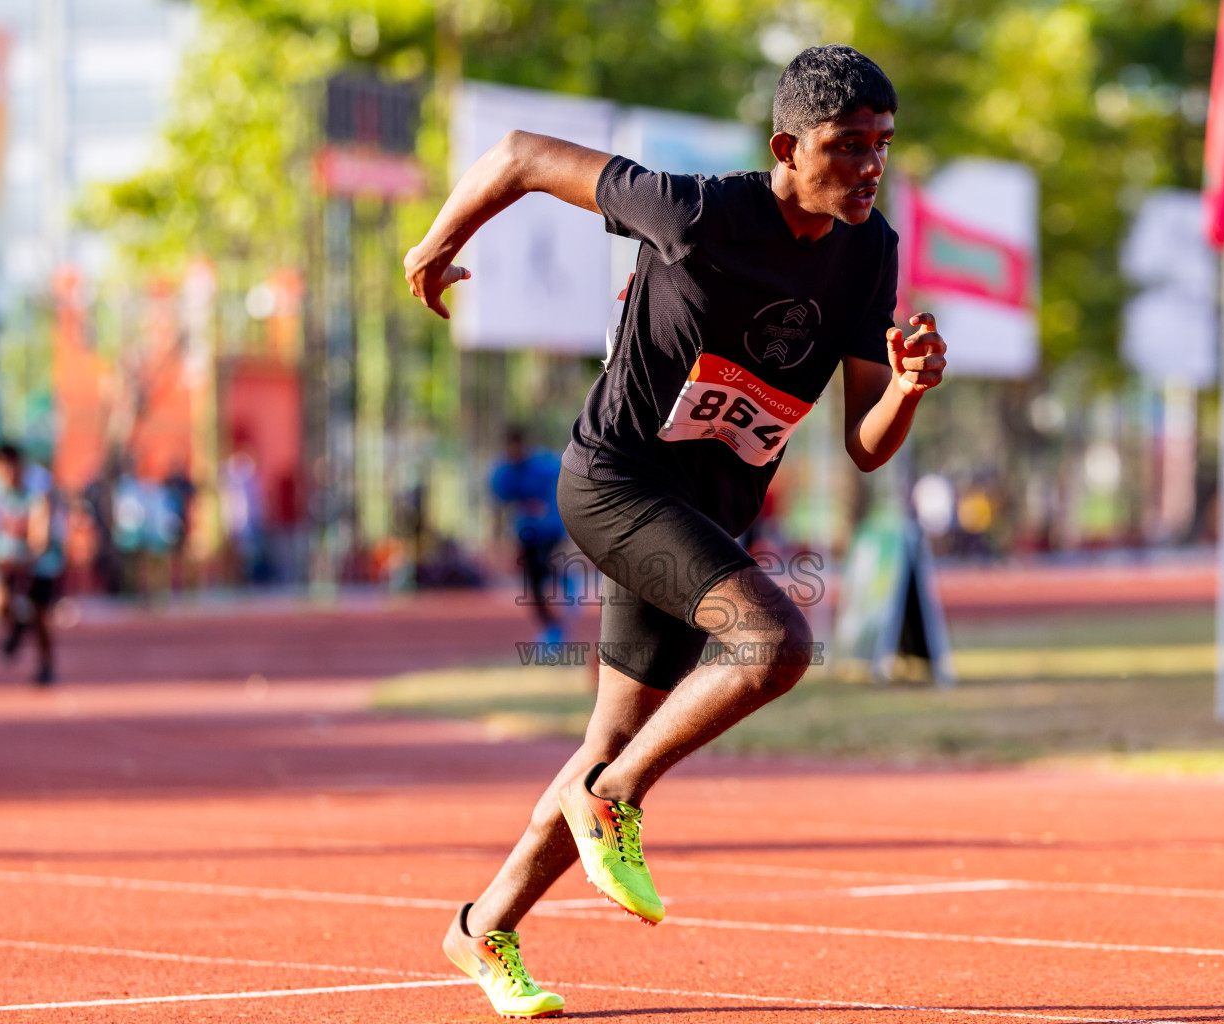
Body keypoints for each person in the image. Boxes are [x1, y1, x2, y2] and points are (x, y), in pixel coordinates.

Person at [404, 45, 945, 1018]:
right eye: (847, 145)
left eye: (883, 146)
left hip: (702, 517)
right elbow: (522, 152)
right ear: (788, 146)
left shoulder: (869, 251)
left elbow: (867, 446)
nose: (871, 166)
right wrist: (438, 242)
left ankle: (483, 925)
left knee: (608, 737)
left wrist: (904, 388)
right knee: (776, 642)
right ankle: (616, 798)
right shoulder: (699, 213)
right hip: (614, 483)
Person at [0, 443, 64, 685]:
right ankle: (17, 626)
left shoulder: (39, 484)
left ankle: (46, 665)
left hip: (43, 559)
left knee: (40, 616)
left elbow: (39, 531)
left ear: (18, 465)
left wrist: (28, 556)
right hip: (10, 555)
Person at [491, 426, 568, 643]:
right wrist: (496, 542)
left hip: (551, 529)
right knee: (532, 584)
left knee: (544, 567)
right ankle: (552, 629)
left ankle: (564, 581)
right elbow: (498, 507)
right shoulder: (503, 473)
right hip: (526, 534)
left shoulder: (545, 465)